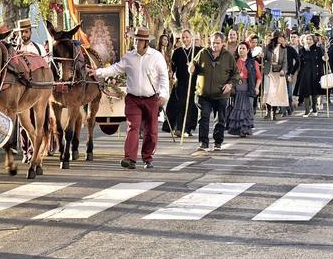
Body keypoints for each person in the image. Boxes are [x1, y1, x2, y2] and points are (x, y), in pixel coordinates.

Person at [88, 27, 169, 169]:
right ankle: (129, 158)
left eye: (139, 40)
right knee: (133, 127)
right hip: (133, 99)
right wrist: (97, 72)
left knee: (151, 131)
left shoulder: (156, 57)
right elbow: (115, 69)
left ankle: (147, 157)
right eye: (135, 39)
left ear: (146, 42)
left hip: (151, 99)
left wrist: (163, 95)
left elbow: (164, 78)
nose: (136, 42)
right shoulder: (129, 57)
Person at [189, 32, 238, 152]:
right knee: (203, 118)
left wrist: (230, 85)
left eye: (217, 43)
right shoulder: (203, 53)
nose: (214, 45)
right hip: (203, 93)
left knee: (219, 119)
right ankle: (203, 142)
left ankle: (218, 142)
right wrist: (191, 67)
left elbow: (236, 74)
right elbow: (194, 64)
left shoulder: (228, 56)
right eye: (212, 43)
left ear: (223, 43)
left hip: (221, 94)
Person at [15, 18, 45, 163]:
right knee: (23, 124)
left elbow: (46, 66)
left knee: (35, 120)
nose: (23, 35)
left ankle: (35, 150)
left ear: (30, 32)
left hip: (37, 89)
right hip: (21, 90)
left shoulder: (38, 48)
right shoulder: (15, 49)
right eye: (21, 32)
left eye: (26, 32)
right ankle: (25, 151)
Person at [164, 30, 201, 137]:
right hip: (181, 82)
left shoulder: (198, 51)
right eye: (183, 38)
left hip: (193, 82)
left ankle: (188, 128)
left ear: (191, 38)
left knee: (191, 105)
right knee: (179, 105)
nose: (185, 39)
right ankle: (179, 127)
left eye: (187, 37)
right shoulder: (177, 52)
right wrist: (171, 74)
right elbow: (173, 68)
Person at [226, 42, 261, 137]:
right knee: (236, 108)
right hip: (236, 88)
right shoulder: (234, 61)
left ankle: (245, 129)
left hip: (248, 88)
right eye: (240, 48)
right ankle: (238, 129)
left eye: (243, 48)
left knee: (247, 109)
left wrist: (257, 87)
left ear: (248, 50)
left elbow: (259, 77)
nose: (241, 50)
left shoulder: (253, 62)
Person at [294, 34, 325, 117]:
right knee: (306, 91)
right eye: (307, 39)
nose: (309, 41)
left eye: (310, 39)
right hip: (305, 73)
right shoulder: (303, 50)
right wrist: (293, 71)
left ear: (313, 40)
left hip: (316, 72)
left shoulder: (318, 49)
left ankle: (314, 108)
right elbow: (299, 62)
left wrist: (325, 58)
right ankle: (307, 110)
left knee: (315, 91)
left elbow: (322, 61)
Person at [262, 31, 289, 120]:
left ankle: (274, 112)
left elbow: (285, 62)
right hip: (268, 71)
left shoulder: (284, 49)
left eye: (283, 37)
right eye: (280, 37)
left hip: (278, 72)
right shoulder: (267, 47)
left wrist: (283, 70)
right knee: (267, 91)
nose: (282, 39)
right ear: (276, 37)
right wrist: (262, 55)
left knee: (275, 93)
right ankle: (268, 111)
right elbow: (264, 58)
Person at [281, 34, 300, 116]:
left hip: (288, 74)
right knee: (281, 93)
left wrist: (292, 72)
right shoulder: (276, 49)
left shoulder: (290, 49)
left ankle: (289, 107)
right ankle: (283, 110)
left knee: (289, 93)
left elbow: (298, 61)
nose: (281, 42)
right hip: (279, 74)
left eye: (283, 40)